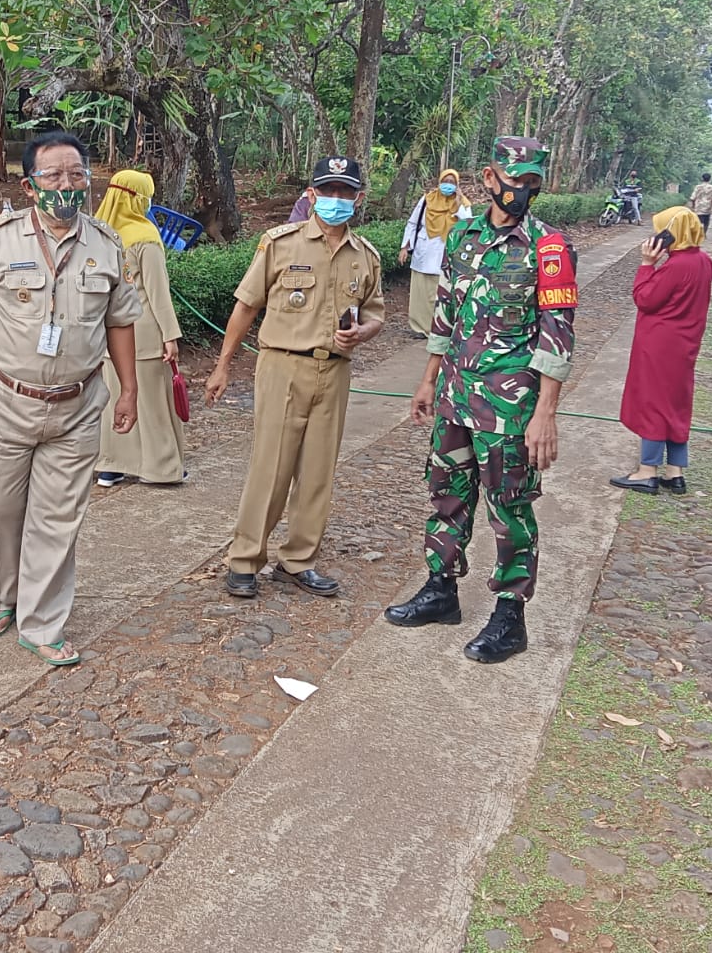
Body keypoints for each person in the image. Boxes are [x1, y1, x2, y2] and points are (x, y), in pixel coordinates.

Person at [0, 132, 141, 668]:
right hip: (5, 400)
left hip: (77, 404)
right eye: (53, 176)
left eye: (76, 174)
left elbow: (119, 323)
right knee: (0, 510)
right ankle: (2, 600)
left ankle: (42, 622)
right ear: (30, 187)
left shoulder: (106, 243)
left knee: (58, 516)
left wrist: (129, 390)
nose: (66, 185)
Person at [384, 136, 576, 664]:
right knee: (447, 491)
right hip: (455, 394)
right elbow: (445, 314)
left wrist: (546, 414)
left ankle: (511, 617)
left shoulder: (549, 247)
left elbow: (557, 332)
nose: (523, 193)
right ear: (490, 178)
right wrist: (428, 379)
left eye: (533, 184)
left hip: (510, 404)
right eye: (516, 182)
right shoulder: (462, 236)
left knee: (510, 506)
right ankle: (440, 589)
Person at [205, 156, 385, 599]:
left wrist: (360, 333)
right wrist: (223, 364)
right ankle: (245, 559)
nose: (336, 200)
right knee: (271, 466)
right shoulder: (280, 243)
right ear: (311, 195)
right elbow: (246, 306)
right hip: (283, 365)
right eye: (328, 191)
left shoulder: (366, 256)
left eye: (345, 193)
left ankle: (298, 560)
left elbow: (376, 314)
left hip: (335, 370)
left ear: (359, 198)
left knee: (318, 471)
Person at [610, 208, 712, 496]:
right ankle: (675, 471)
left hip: (660, 344)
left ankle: (647, 470)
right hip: (686, 344)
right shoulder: (704, 262)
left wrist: (646, 264)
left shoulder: (676, 266)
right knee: (677, 402)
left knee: (653, 402)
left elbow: (645, 299)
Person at [93, 169, 186, 487]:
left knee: (114, 398)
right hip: (144, 332)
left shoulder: (97, 235)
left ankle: (112, 465)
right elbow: (158, 295)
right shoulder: (145, 238)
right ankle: (160, 466)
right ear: (137, 198)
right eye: (147, 196)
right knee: (151, 401)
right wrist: (170, 335)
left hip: (108, 333)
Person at [400, 170, 473, 336]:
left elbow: (468, 224)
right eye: (445, 181)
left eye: (452, 182)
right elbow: (412, 223)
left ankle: (439, 329)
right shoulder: (427, 200)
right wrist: (405, 247)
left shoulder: (462, 203)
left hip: (446, 253)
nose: (448, 185)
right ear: (439, 182)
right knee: (420, 293)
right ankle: (419, 327)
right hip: (424, 251)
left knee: (442, 293)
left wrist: (458, 202)